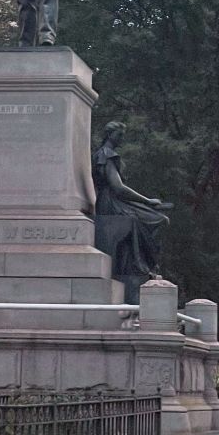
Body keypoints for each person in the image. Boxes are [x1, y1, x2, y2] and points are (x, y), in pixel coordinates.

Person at [92, 121, 171, 304]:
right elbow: (118, 188)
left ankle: (142, 265)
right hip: (111, 203)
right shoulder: (106, 154)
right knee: (157, 220)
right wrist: (147, 201)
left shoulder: (108, 154)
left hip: (116, 201)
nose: (122, 139)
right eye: (119, 135)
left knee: (157, 219)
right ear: (109, 134)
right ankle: (140, 266)